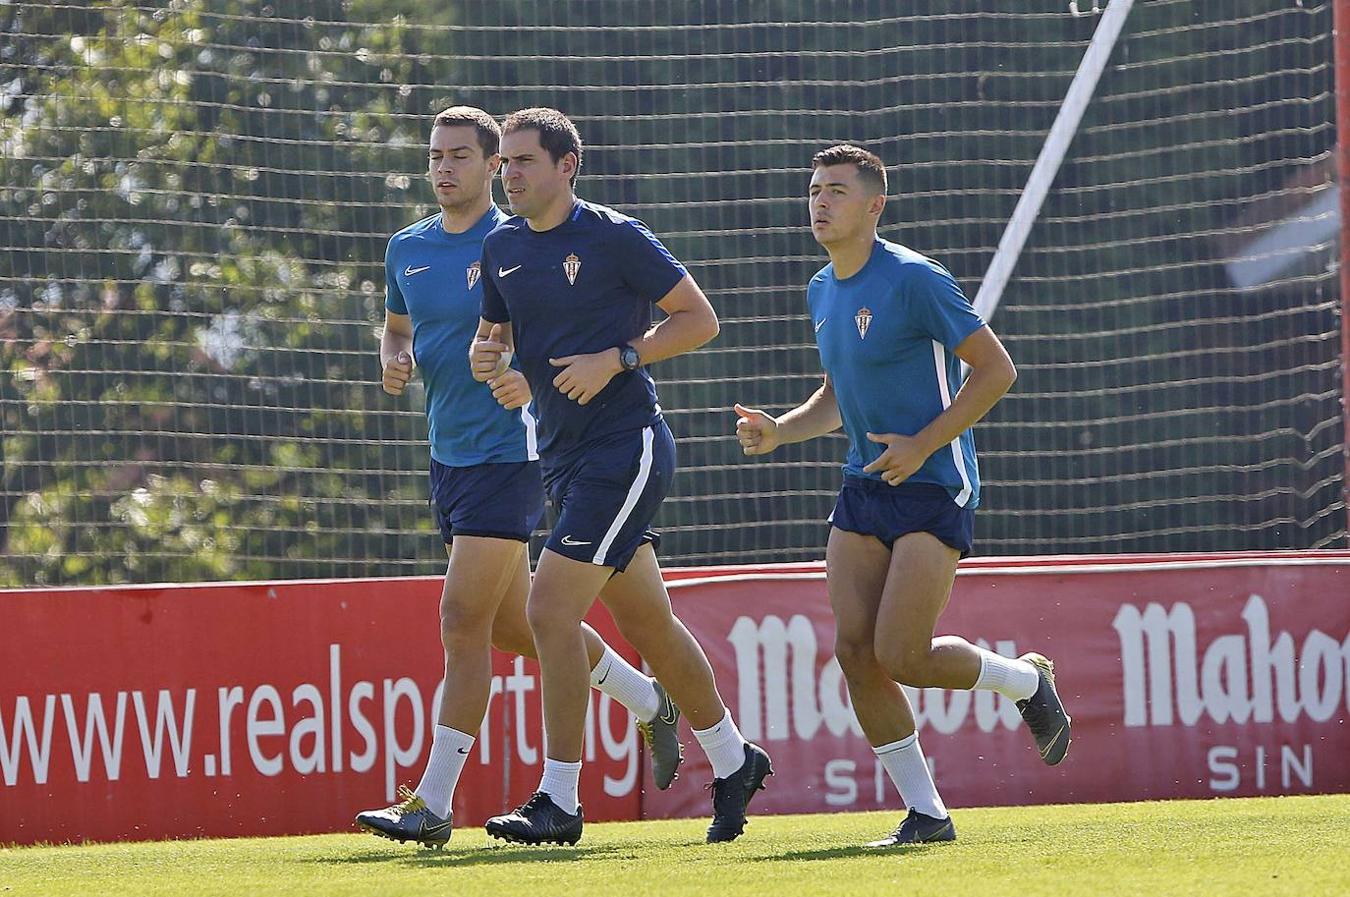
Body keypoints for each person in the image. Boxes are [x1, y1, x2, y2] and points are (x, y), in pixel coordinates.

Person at [353, 107, 683, 850]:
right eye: (435, 155)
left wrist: (531, 379)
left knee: (460, 619)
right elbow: (399, 323)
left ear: (494, 164)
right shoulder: (406, 247)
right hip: (449, 457)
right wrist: (391, 355)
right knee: (514, 625)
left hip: (517, 455)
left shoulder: (516, 243)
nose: (445, 168)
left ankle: (431, 802)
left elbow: (545, 339)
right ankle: (643, 696)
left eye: (463, 156)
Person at [733, 144, 1071, 847]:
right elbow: (835, 394)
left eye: (836, 191)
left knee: (902, 653)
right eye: (814, 190)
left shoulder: (917, 279)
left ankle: (1023, 682)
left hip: (935, 484)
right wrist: (780, 430)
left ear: (873, 205)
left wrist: (921, 443)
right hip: (863, 486)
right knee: (855, 651)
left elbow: (996, 369)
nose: (820, 202)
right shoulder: (821, 288)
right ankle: (927, 815)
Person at [470, 107, 771, 846]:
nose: (508, 175)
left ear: (567, 166)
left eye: (523, 162)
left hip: (625, 447)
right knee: (647, 625)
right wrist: (490, 361)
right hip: (563, 458)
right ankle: (735, 760)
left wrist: (619, 357)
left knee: (547, 612)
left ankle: (560, 800)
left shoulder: (614, 235)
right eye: (504, 162)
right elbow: (497, 337)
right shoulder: (501, 244)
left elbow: (698, 319)